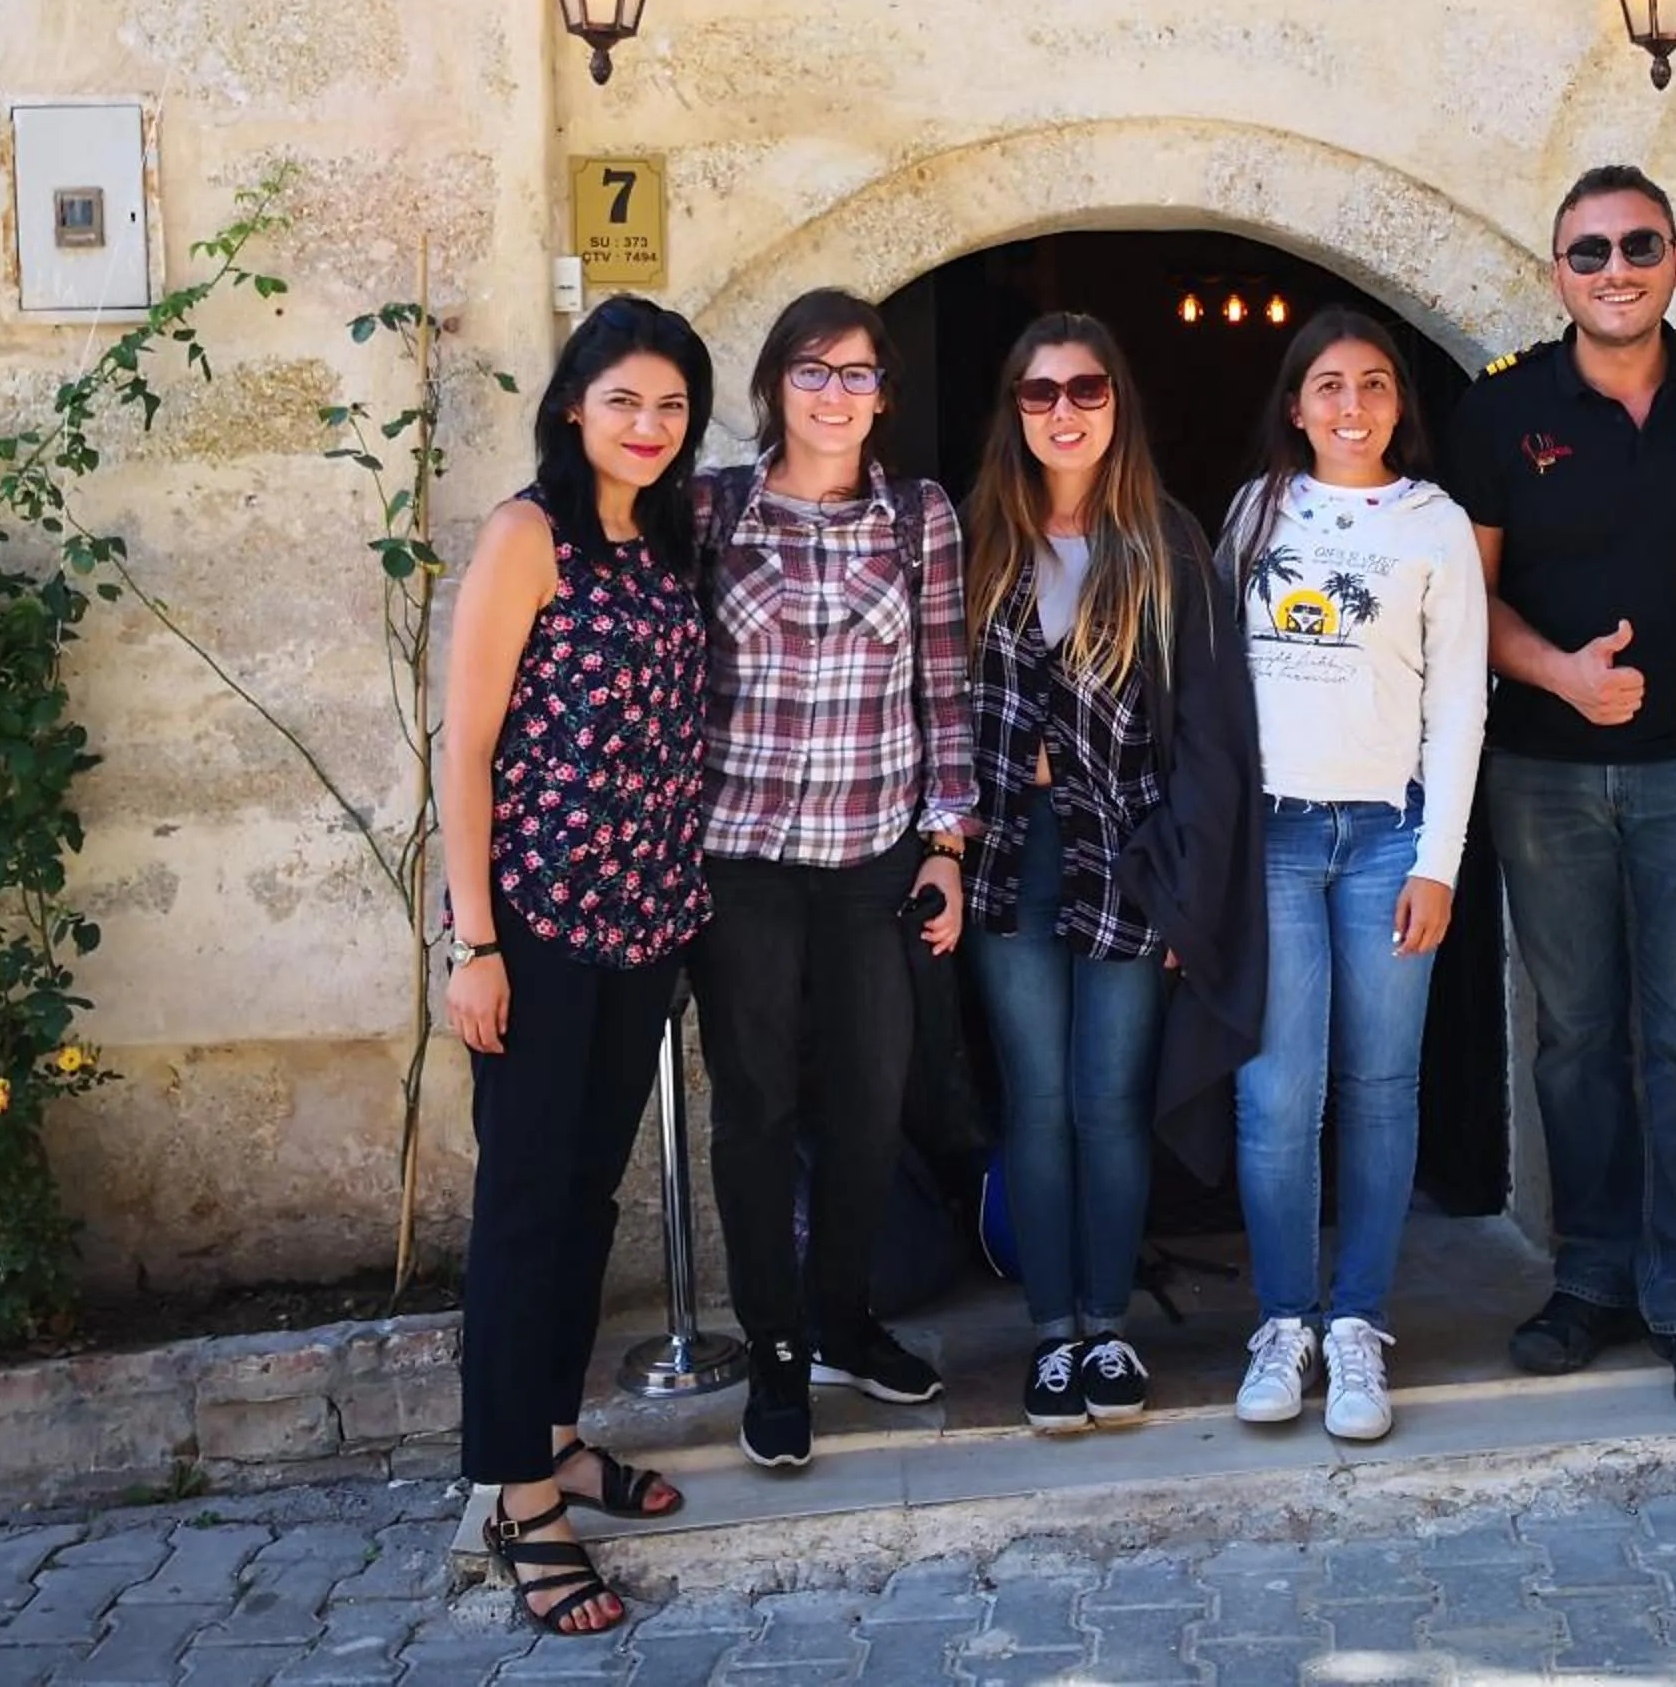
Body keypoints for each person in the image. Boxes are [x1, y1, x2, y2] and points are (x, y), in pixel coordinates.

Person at [1442, 164, 1676, 1424]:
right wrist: (1562, 675)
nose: (1615, 270)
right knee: (1578, 1038)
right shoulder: (1502, 409)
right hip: (1544, 771)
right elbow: (1467, 598)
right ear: (1558, 274)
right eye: (1588, 252)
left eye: (1639, 246)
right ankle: (1590, 1278)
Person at [439, 295, 716, 1637]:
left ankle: (553, 1436)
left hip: (645, 923)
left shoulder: (665, 540)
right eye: (624, 401)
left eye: (671, 406)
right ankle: (519, 1502)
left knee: (586, 1202)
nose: (648, 425)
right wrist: (475, 941)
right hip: (539, 927)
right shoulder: (527, 534)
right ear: (572, 406)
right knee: (523, 1211)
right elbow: (466, 746)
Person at [687, 288, 977, 1472]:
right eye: (812, 370)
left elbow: (944, 688)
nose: (835, 394)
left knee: (870, 1101)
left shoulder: (918, 518)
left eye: (858, 374)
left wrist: (947, 844)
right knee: (756, 1110)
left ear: (883, 394)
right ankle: (774, 1350)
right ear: (774, 385)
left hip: (872, 858)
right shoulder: (711, 509)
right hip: (740, 861)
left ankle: (844, 1321)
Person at [961, 311, 1266, 1434]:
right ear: (1015, 410)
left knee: (1110, 1101)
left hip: (1132, 860)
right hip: (1009, 855)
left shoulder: (1165, 542)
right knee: (1037, 1101)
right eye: (1040, 392)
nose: (1064, 412)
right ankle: (1054, 1335)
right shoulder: (977, 538)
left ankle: (1109, 1328)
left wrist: (1191, 883)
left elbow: (1213, 734)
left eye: (1086, 389)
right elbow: (932, 700)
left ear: (1117, 404)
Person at [1219, 309, 1489, 1441]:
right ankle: (1284, 1320)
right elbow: (1213, 685)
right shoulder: (1255, 512)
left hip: (1389, 836)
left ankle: (1360, 1325)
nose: (1351, 405)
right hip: (1272, 838)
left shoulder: (1435, 523)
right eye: (1328, 385)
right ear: (1295, 405)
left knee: (1381, 1086)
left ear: (1398, 404)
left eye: (1374, 383)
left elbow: (1460, 702)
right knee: (1277, 1092)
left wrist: (1441, 863)